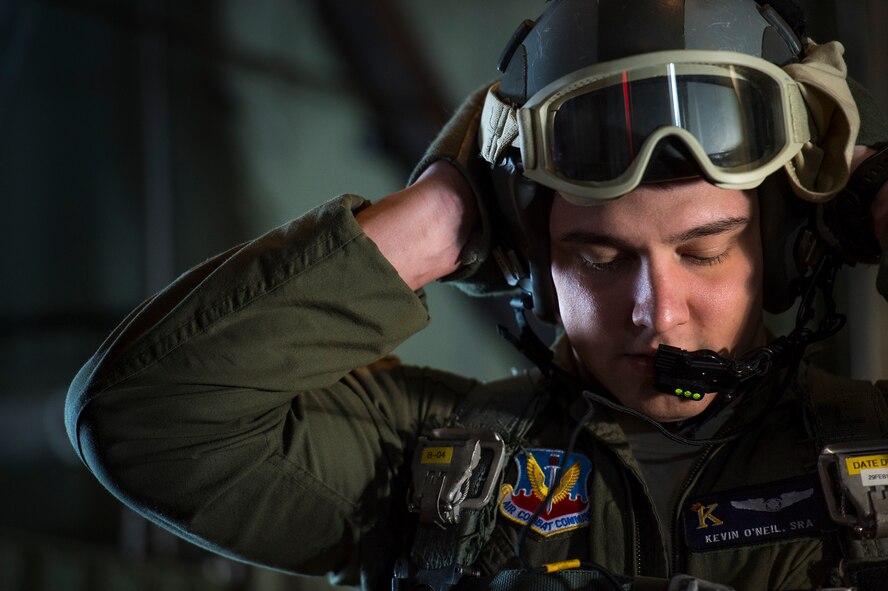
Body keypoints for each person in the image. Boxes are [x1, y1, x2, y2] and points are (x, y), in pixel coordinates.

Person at [65, 1, 888, 590]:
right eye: (599, 258)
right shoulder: (431, 460)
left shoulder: (872, 441)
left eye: (703, 252)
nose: (659, 312)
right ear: (532, 256)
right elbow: (144, 416)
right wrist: (450, 211)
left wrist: (878, 200)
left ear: (785, 245)